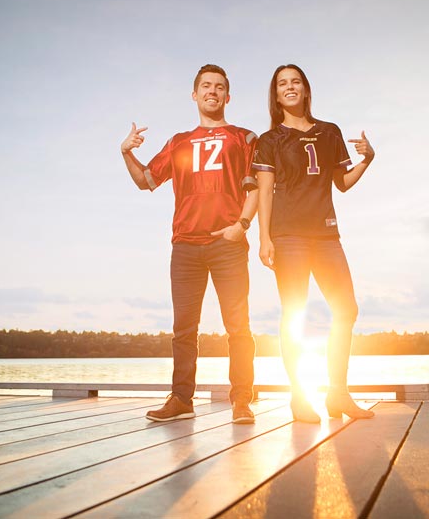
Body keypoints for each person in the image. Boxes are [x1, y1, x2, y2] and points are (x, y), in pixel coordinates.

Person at [120, 64, 258, 424]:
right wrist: (125, 152)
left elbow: (257, 187)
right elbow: (145, 180)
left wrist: (241, 226)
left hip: (227, 245)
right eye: (205, 86)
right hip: (185, 246)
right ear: (194, 94)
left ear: (228, 96)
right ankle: (181, 399)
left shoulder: (244, 137)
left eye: (219, 87)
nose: (212, 91)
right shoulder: (178, 141)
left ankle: (242, 400)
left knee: (238, 326)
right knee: (184, 329)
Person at [253, 64, 375, 423]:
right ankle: (299, 397)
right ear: (276, 96)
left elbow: (343, 182)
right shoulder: (269, 140)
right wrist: (264, 238)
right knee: (294, 315)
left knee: (347, 310)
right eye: (282, 84)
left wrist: (368, 159)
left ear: (306, 90)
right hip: (287, 235)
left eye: (296, 82)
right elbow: (264, 193)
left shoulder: (329, 132)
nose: (290, 87)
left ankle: (338, 394)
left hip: (325, 234)